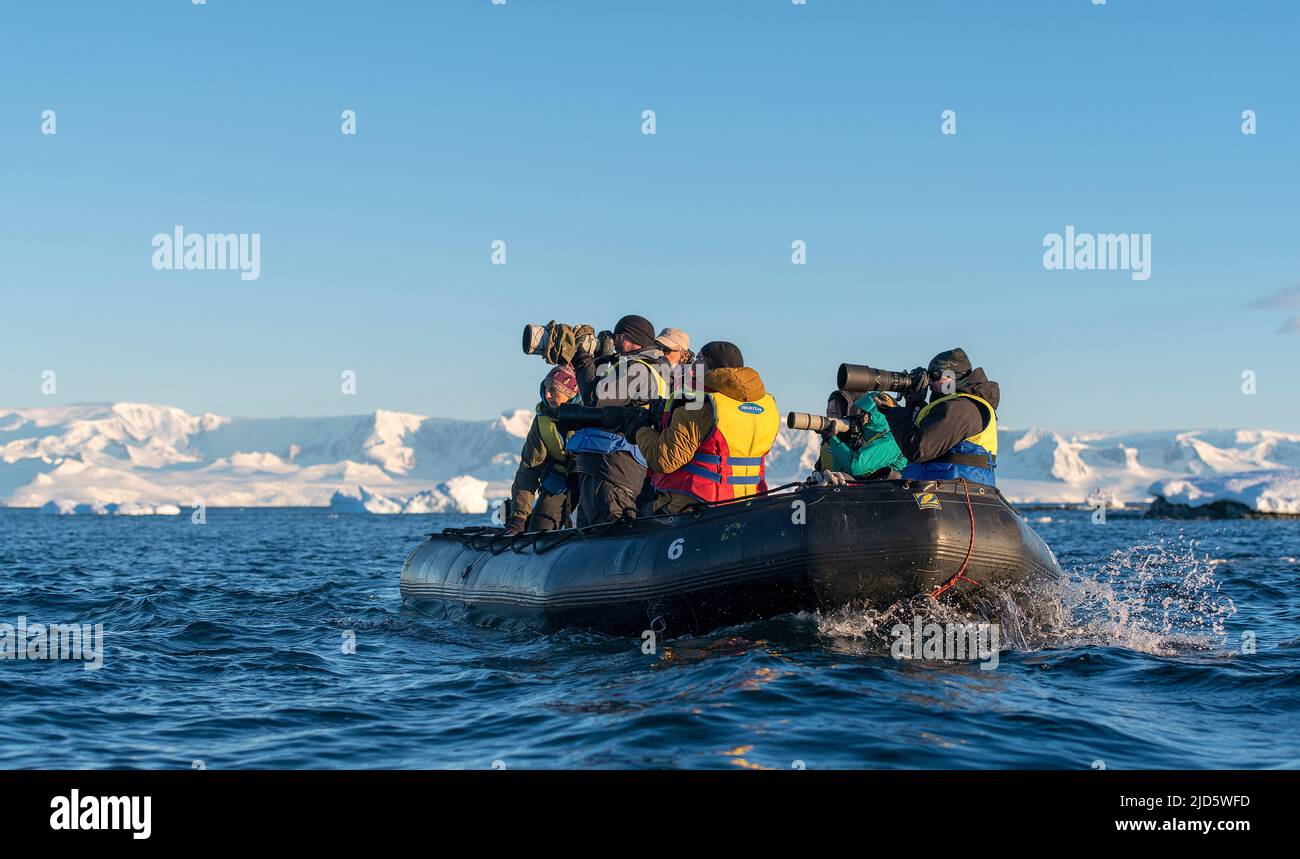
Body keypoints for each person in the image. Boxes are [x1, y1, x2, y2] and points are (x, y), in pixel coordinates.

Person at [630, 341, 780, 515]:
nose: (692, 365)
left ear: (712, 365)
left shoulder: (698, 404)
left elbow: (666, 459)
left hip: (694, 505)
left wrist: (639, 428)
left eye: (699, 359)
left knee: (636, 518)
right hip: (748, 505)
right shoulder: (767, 406)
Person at [567, 314, 670, 525]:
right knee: (591, 534)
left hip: (615, 465)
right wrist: (600, 359)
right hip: (605, 460)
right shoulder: (631, 366)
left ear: (633, 339)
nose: (615, 342)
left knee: (608, 528)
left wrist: (581, 359)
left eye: (619, 336)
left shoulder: (639, 370)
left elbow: (595, 397)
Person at [883, 347, 999, 486]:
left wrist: (893, 413)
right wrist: (914, 402)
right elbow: (925, 434)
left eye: (935, 375)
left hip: (955, 492)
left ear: (951, 377)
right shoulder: (953, 406)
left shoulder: (961, 408)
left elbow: (918, 449)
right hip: (937, 488)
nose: (929, 383)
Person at [504, 365, 580, 535]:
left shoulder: (591, 412)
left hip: (588, 481)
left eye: (554, 391)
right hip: (558, 482)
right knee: (538, 531)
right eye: (546, 389)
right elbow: (529, 469)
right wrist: (518, 518)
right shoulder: (542, 421)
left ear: (571, 394)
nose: (547, 395)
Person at [822, 392, 908, 479]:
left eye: (862, 413)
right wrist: (843, 440)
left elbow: (856, 466)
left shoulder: (893, 440)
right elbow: (842, 471)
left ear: (874, 416)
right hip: (873, 489)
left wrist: (834, 440)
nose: (857, 417)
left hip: (891, 490)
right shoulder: (869, 438)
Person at [655, 327, 697, 398]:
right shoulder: (648, 368)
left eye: (666, 349)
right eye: (656, 347)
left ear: (682, 353)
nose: (660, 352)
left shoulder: (693, 378)